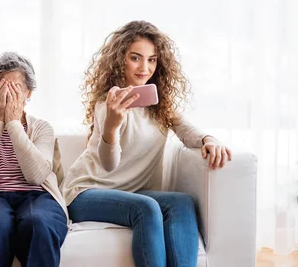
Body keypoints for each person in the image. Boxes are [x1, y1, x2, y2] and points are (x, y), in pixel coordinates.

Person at [62, 20, 232, 267]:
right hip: (85, 193)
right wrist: (111, 125)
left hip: (131, 193)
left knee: (182, 203)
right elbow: (109, 165)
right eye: (136, 58)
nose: (145, 67)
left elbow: (184, 129)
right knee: (147, 208)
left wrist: (209, 139)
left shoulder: (159, 106)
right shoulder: (108, 105)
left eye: (152, 59)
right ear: (120, 59)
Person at [0, 52, 68, 267]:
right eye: (1, 87)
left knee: (39, 224)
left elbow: (36, 176)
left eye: (15, 88)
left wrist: (14, 124)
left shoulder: (42, 127)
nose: (7, 94)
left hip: (37, 196)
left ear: (29, 93)